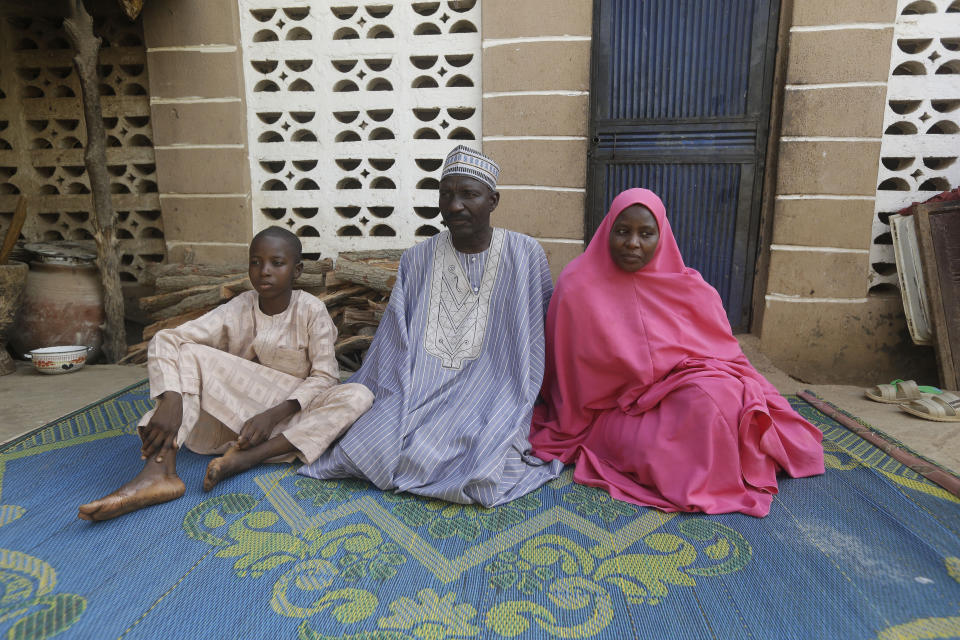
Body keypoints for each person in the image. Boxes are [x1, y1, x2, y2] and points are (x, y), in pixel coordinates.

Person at [529, 188, 825, 517]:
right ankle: (711, 475)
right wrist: (640, 382)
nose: (633, 244)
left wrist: (674, 377)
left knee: (723, 397)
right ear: (607, 230)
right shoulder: (577, 287)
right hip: (611, 411)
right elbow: (567, 382)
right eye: (623, 232)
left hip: (675, 388)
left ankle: (726, 469)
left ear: (663, 235)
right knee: (701, 420)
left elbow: (721, 354)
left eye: (646, 233)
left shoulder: (687, 286)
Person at [298, 145, 563, 506]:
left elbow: (540, 333)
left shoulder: (525, 254)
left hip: (497, 387)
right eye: (446, 195)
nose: (455, 206)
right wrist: (397, 394)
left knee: (482, 449)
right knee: (373, 441)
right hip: (420, 386)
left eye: (469, 194)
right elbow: (395, 340)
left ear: (493, 200)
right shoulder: (418, 259)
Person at [78, 227, 374, 521]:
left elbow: (325, 377)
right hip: (235, 422)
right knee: (188, 351)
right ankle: (159, 472)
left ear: (297, 270)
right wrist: (170, 398)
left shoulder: (311, 310)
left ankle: (248, 459)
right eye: (255, 262)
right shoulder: (240, 307)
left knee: (358, 395)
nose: (264, 271)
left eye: (277, 263)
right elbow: (168, 339)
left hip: (290, 419)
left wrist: (271, 415)